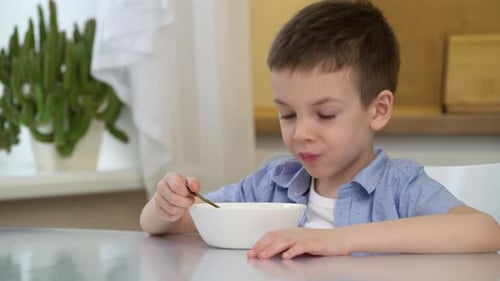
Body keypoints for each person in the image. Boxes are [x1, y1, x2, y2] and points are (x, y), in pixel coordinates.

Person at [140, 0, 500, 259]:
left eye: (325, 114)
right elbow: (167, 225)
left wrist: (339, 240)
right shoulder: (272, 183)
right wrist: (165, 205)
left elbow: (484, 231)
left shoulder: (400, 187)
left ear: (378, 110)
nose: (301, 134)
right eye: (287, 114)